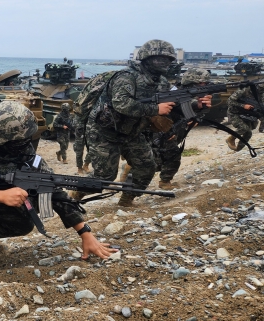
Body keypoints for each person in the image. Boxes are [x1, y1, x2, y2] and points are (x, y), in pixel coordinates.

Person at [0, 101, 112, 277]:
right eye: (23, 140)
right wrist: (0, 196)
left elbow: (52, 188)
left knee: (22, 223)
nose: (28, 144)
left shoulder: (22, 147)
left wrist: (84, 231)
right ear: (5, 141)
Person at [83, 39, 210, 207]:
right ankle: (75, 194)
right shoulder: (127, 77)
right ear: (145, 59)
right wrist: (155, 110)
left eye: (168, 59)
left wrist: (196, 105)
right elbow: (122, 104)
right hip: (104, 131)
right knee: (105, 176)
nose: (164, 62)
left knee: (146, 168)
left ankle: (125, 202)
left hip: (133, 132)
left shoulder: (162, 82)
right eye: (159, 58)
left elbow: (174, 105)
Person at [151, 68, 211, 189]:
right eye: (200, 83)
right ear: (190, 82)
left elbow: (192, 108)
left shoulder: (188, 93)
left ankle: (131, 168)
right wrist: (167, 131)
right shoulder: (174, 92)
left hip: (176, 128)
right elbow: (163, 112)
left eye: (205, 84)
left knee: (159, 158)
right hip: (162, 129)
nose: (203, 86)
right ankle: (165, 182)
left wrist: (199, 111)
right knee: (171, 156)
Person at [226, 81, 264, 151]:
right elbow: (229, 101)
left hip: (247, 114)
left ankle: (237, 149)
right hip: (235, 113)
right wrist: (243, 106)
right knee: (244, 128)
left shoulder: (261, 95)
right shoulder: (244, 90)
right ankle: (230, 139)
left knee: (248, 134)